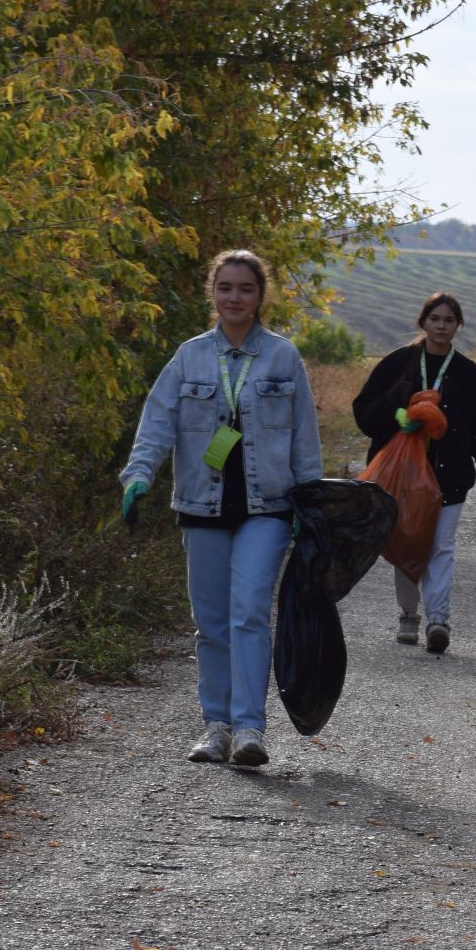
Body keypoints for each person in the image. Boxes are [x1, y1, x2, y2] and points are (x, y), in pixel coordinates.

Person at [119, 250, 322, 766]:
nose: (235, 298)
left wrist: (311, 499)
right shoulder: (188, 357)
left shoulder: (283, 357)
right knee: (210, 621)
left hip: (268, 507)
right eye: (225, 288)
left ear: (261, 296)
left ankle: (251, 728)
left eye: (246, 289)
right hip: (201, 504)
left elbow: (303, 436)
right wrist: (138, 474)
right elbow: (159, 420)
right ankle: (217, 727)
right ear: (212, 293)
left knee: (249, 610)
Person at [351, 292, 476, 655]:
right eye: (435, 319)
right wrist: (396, 414)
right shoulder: (398, 364)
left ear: (457, 326)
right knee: (407, 541)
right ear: (423, 321)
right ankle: (409, 614)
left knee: (441, 548)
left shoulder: (467, 373)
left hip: (450, 474)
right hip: (401, 475)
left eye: (448, 320)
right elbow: (364, 412)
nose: (441, 326)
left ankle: (438, 620)